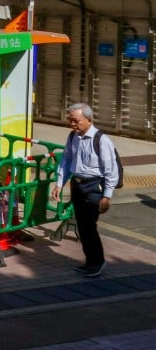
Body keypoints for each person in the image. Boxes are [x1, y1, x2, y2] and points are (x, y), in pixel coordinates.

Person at [52, 103, 120, 277]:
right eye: (70, 120)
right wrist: (59, 183)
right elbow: (66, 160)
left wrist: (107, 196)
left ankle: (98, 262)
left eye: (76, 121)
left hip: (94, 186)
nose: (72, 124)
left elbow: (110, 170)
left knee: (89, 225)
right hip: (77, 184)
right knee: (82, 225)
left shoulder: (102, 140)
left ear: (89, 119)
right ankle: (90, 261)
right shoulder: (73, 137)